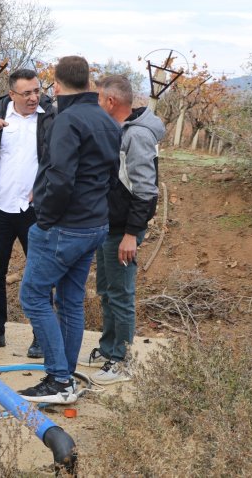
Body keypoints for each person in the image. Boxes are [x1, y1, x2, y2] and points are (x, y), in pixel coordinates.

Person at [18, 56, 121, 403]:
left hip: (65, 227)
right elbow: (109, 175)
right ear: (88, 81)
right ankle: (65, 375)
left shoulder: (67, 120)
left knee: (33, 296)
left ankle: (59, 380)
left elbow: (60, 178)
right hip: (94, 224)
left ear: (57, 85)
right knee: (71, 301)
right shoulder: (105, 120)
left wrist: (45, 218)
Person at [78, 75, 164, 385]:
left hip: (123, 230)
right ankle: (109, 348)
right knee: (107, 290)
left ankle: (122, 360)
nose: (96, 104)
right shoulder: (119, 131)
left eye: (99, 99)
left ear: (111, 102)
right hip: (109, 225)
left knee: (121, 294)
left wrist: (131, 233)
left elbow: (145, 190)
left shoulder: (137, 136)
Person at [0, 68, 55, 357]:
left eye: (36, 91)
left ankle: (42, 335)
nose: (33, 97)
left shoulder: (50, 116)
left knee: (40, 273)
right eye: (26, 93)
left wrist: (42, 189)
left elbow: (61, 160)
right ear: (12, 94)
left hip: (34, 210)